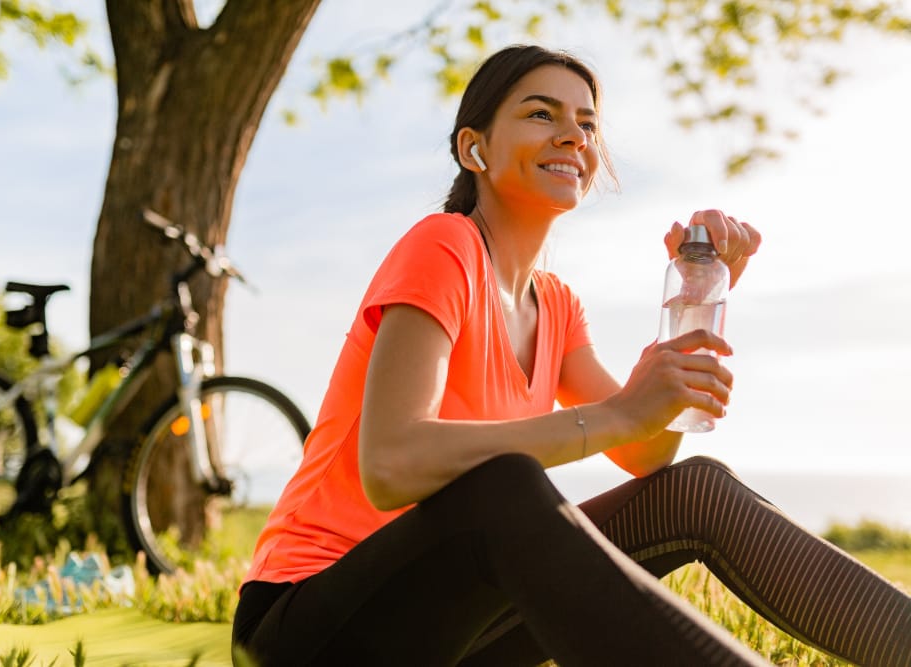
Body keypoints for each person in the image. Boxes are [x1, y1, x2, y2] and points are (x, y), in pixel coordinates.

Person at [232, 44, 911, 666]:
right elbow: (390, 463)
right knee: (505, 482)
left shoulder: (556, 305)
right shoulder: (444, 246)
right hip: (308, 626)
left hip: (453, 636)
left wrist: (697, 299)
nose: (573, 136)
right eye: (541, 113)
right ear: (475, 149)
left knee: (693, 487)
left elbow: (647, 453)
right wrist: (615, 415)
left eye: (587, 123)